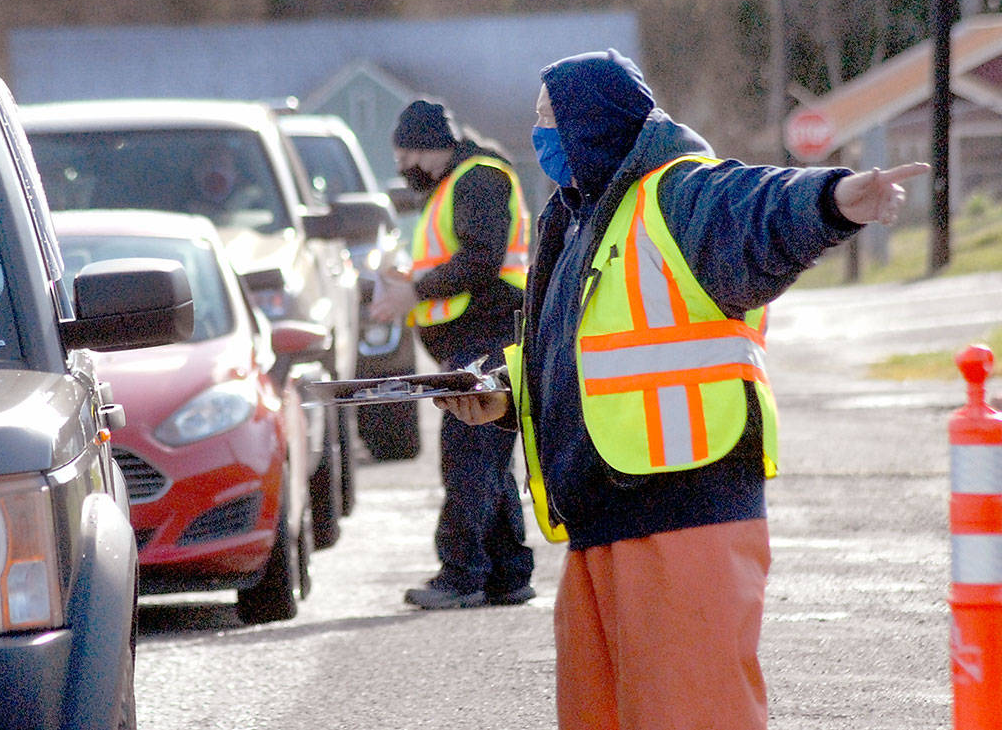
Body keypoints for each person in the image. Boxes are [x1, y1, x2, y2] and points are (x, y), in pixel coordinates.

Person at [434, 49, 930, 730]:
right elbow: (586, 351)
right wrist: (502, 394)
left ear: (596, 122)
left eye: (551, 119)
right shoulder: (580, 217)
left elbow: (760, 210)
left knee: (697, 716)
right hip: (601, 517)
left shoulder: (680, 191)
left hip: (686, 517)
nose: (539, 134)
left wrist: (833, 199)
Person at [370, 98, 536, 610]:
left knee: (468, 456)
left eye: (407, 157)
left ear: (432, 148)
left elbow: (482, 258)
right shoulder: (453, 184)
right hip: (473, 337)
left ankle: (461, 574)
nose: (402, 169)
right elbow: (456, 257)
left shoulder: (478, 178)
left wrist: (413, 293)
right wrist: (410, 281)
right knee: (486, 458)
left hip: (485, 335)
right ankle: (506, 574)